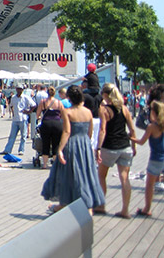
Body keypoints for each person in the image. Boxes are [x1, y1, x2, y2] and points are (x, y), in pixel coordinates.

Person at [41, 85, 105, 215]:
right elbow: (90, 132)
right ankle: (88, 206)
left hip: (72, 144)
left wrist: (60, 149)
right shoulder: (88, 112)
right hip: (85, 144)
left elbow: (66, 131)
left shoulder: (67, 111)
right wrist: (87, 144)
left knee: (68, 175)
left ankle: (64, 204)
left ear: (69, 97)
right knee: (85, 174)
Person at [94, 83, 136, 219]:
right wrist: (134, 146)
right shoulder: (124, 109)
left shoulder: (104, 110)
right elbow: (132, 129)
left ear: (105, 95)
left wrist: (98, 148)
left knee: (101, 175)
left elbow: (102, 130)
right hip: (125, 146)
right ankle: (125, 210)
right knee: (124, 178)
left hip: (109, 146)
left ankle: (101, 205)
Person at [130, 101, 164, 217]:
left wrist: (131, 138)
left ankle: (147, 209)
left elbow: (141, 142)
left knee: (150, 185)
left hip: (155, 158)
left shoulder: (152, 127)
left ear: (154, 113)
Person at [0, 85, 36, 156]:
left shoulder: (25, 97)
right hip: (15, 119)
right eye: (18, 89)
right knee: (12, 136)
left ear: (22, 90)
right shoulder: (13, 98)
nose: (19, 90)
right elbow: (11, 106)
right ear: (16, 89)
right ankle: (7, 150)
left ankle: (21, 150)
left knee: (23, 136)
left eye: (21, 89)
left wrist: (29, 111)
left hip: (23, 118)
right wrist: (13, 113)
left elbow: (34, 105)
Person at [36, 86, 64, 169]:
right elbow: (62, 115)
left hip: (46, 124)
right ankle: (54, 165)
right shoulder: (59, 102)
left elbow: (38, 114)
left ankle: (45, 164)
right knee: (56, 144)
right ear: (54, 93)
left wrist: (39, 118)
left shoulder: (43, 102)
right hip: (57, 124)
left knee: (45, 143)